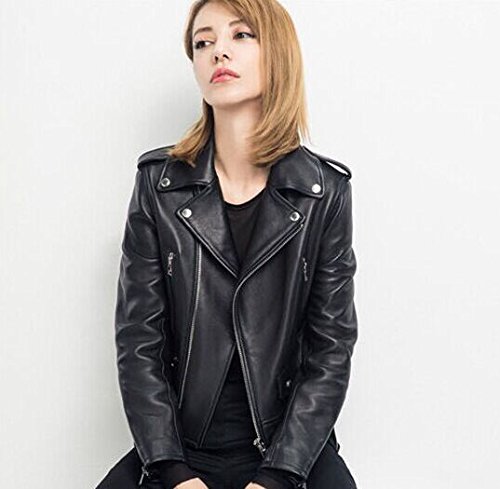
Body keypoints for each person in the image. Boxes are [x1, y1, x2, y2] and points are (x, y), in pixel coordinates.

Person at [96, 1, 358, 488]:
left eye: (241, 35)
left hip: (287, 448)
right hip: (180, 445)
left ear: (276, 52)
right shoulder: (159, 186)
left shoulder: (324, 193)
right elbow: (138, 342)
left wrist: (278, 476)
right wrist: (173, 470)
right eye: (203, 42)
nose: (218, 52)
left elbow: (331, 350)